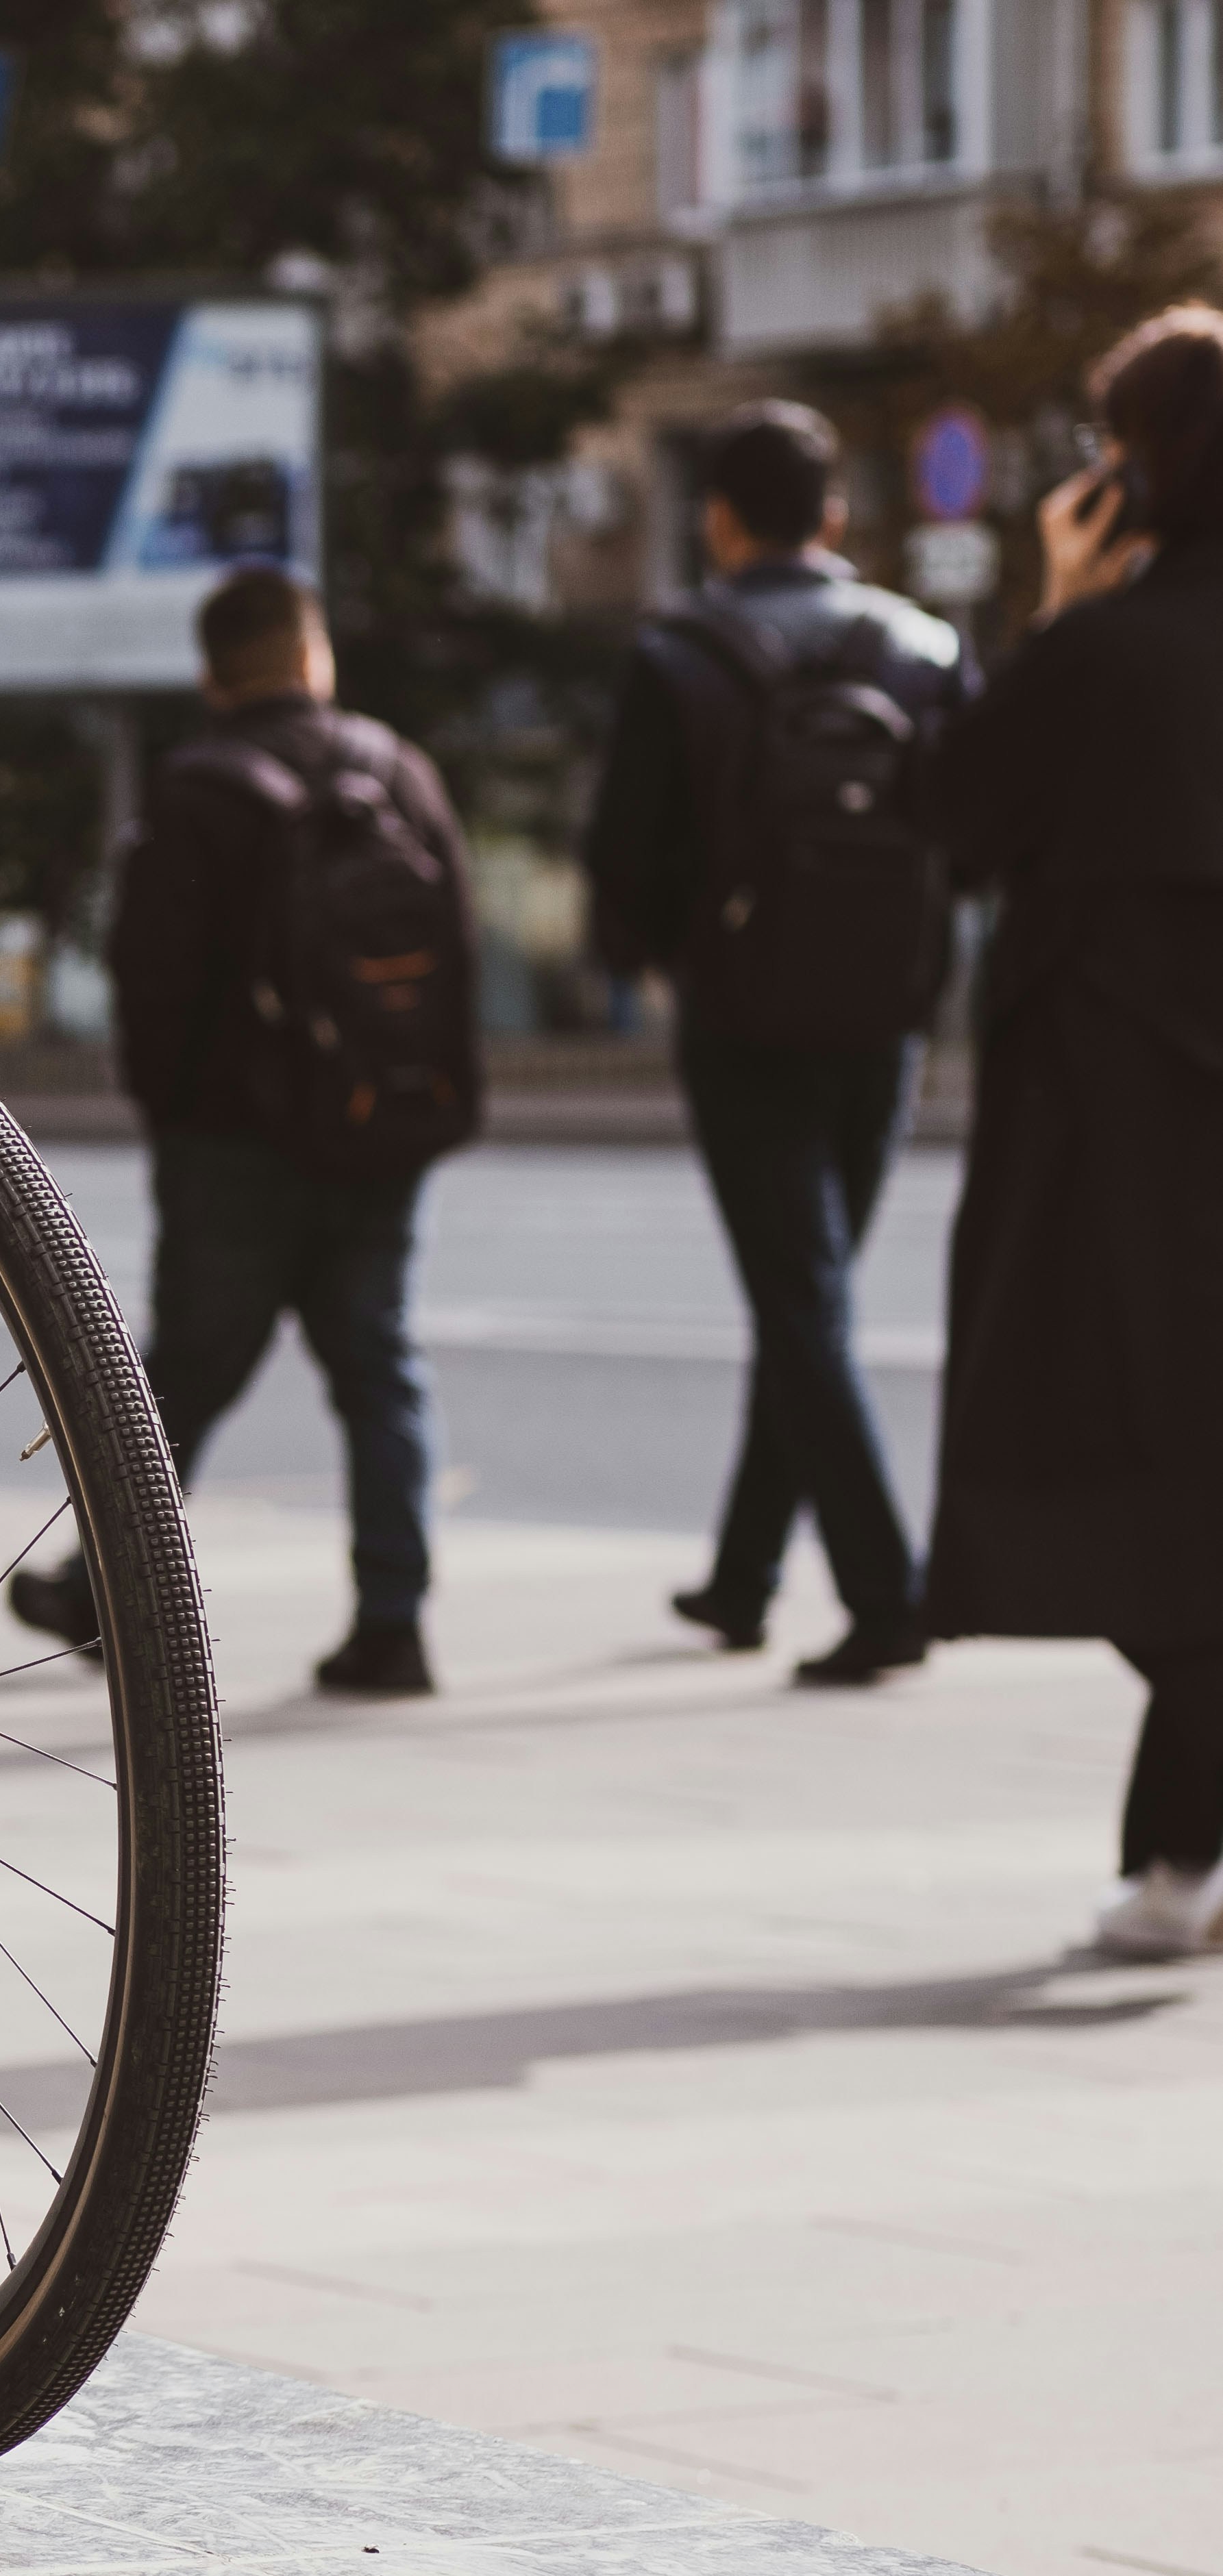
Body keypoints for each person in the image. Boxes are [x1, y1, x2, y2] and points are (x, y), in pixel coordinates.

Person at [14, 566, 480, 1696]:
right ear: (312, 656)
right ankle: (392, 1621)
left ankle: (103, 1593)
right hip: (377, 1131)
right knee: (378, 1371)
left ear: (212, 673)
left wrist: (177, 1117)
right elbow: (456, 947)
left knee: (177, 1379)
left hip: (233, 1142)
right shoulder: (397, 771)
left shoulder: (198, 792)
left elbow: (153, 985)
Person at [582, 401, 973, 1687]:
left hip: (744, 1014)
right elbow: (968, 827)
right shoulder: (921, 646)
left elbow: (625, 854)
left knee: (798, 1298)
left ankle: (885, 1595)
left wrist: (639, 956)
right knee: (804, 1291)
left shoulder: (679, 651)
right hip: (885, 1016)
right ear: (839, 513)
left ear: (719, 518)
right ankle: (744, 1575)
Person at [930, 307, 1223, 1958]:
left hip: (1126, 1142)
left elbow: (954, 808)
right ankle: (1179, 1861)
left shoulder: (1108, 654)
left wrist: (1052, 605)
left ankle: (1181, 1864)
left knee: (1120, 1487)